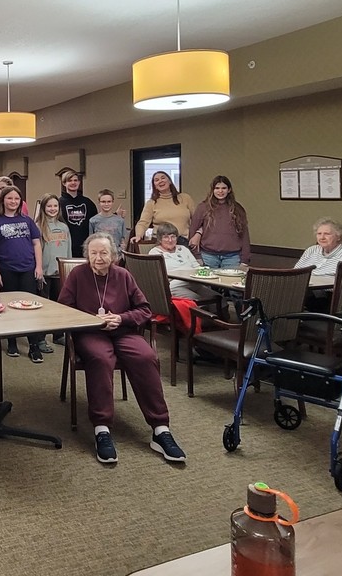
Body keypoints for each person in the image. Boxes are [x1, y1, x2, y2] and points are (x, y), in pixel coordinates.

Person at [57, 233, 187, 465]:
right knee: (100, 358)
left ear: (114, 256)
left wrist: (121, 318)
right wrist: (92, 321)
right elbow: (63, 308)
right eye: (94, 253)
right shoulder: (78, 275)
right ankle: (102, 429)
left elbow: (144, 309)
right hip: (91, 332)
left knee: (146, 356)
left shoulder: (123, 275)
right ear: (87, 255)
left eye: (104, 253)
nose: (98, 258)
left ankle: (160, 429)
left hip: (123, 330)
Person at [0, 185, 46, 362]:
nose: (13, 201)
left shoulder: (28, 221)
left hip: (28, 268)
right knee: (10, 307)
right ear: (2, 200)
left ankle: (33, 345)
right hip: (6, 270)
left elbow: (36, 244)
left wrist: (39, 267)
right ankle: (11, 341)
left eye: (16, 199)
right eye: (10, 198)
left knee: (30, 308)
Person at [148, 222, 221, 302]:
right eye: (166, 237)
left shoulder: (183, 249)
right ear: (159, 239)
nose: (170, 240)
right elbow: (156, 276)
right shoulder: (155, 252)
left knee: (219, 298)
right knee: (199, 300)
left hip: (194, 281)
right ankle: (201, 308)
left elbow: (196, 266)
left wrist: (205, 272)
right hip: (173, 284)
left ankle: (213, 309)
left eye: (173, 237)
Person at [188, 175, 251, 269]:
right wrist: (197, 256)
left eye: (224, 188)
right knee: (207, 283)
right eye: (217, 188)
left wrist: (245, 260)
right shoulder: (203, 207)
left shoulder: (238, 209)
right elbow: (193, 231)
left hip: (232, 257)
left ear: (229, 190)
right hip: (208, 255)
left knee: (229, 283)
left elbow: (244, 235)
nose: (220, 191)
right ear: (212, 190)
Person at [35, 192, 70, 347]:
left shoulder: (64, 226)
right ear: (43, 208)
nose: (52, 208)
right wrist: (39, 270)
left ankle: (58, 335)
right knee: (43, 306)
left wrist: (68, 269)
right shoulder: (38, 226)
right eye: (49, 206)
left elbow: (68, 249)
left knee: (60, 305)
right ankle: (41, 338)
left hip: (60, 273)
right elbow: (36, 250)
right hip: (44, 272)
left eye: (55, 205)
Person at [133, 171, 196, 245]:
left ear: (169, 181)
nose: (160, 181)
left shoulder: (185, 198)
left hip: (184, 241)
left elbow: (196, 219)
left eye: (163, 178)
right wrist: (138, 235)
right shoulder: (151, 203)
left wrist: (196, 235)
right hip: (161, 243)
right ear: (155, 186)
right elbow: (143, 222)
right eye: (156, 180)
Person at [59, 170, 98, 257]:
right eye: (70, 180)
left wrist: (114, 214)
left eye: (75, 180)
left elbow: (97, 221)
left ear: (79, 182)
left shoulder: (88, 203)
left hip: (85, 246)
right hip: (66, 246)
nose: (73, 183)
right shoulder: (59, 203)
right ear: (64, 183)